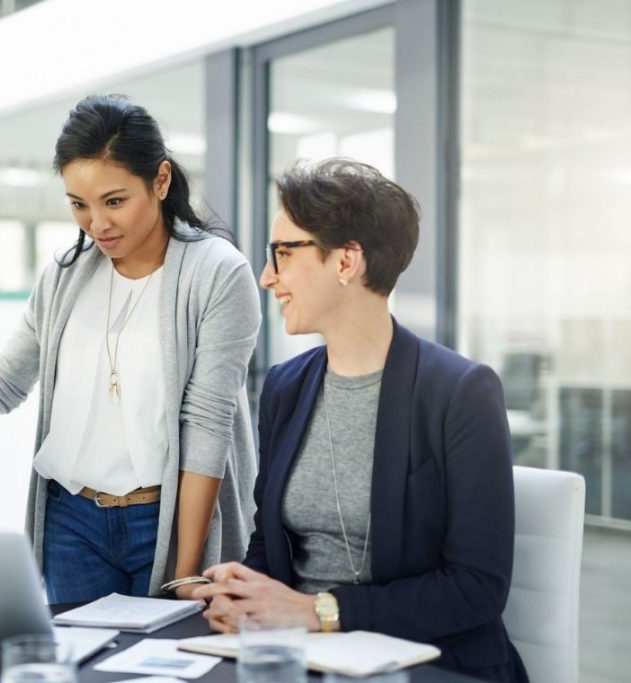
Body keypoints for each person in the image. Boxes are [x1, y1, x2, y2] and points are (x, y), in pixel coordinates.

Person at [192, 159, 528, 682]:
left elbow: (476, 587)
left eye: (282, 253)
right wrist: (244, 593)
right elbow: (269, 543)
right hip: (301, 655)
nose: (266, 276)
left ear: (346, 261)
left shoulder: (459, 392)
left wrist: (319, 612)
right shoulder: (285, 387)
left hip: (426, 662)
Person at [0, 95, 260, 604]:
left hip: (162, 520)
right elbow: (1, 385)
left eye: (114, 201)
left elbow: (208, 424)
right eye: (79, 204)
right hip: (71, 522)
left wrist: (186, 572)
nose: (96, 224)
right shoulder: (65, 274)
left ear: (160, 181)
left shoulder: (218, 274)